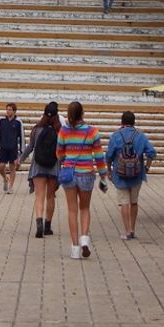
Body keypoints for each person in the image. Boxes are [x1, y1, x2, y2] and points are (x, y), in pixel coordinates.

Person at [57, 101, 107, 259]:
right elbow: (99, 156)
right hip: (86, 174)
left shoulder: (63, 131)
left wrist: (68, 157)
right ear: (82, 113)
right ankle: (84, 238)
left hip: (69, 174)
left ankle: (74, 248)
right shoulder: (92, 131)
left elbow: (59, 153)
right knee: (84, 208)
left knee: (72, 210)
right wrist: (103, 174)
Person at [105, 111, 157, 239]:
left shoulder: (116, 136)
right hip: (137, 174)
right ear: (134, 122)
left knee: (124, 202)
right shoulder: (141, 136)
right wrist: (147, 167)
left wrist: (109, 170)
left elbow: (109, 156)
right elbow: (151, 152)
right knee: (134, 202)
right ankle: (133, 229)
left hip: (120, 173)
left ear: (122, 122)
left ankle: (127, 231)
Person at [20, 102, 62, 237]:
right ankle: (47, 226)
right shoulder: (60, 131)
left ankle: (39, 224)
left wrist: (19, 159)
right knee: (50, 196)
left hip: (38, 166)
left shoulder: (36, 129)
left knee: (39, 196)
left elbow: (30, 147)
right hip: (54, 166)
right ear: (57, 115)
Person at [0, 103, 24, 194]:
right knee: (1, 166)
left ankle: (11, 187)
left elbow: (21, 136)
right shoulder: (2, 121)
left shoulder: (18, 122)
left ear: (14, 111)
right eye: (7, 109)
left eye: (10, 109)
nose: (8, 111)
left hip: (13, 148)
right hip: (3, 148)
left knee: (12, 168)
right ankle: (5, 178)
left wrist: (22, 150)